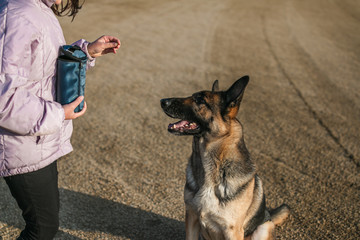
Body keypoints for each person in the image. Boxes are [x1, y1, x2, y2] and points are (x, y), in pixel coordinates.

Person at [0, 0, 121, 239]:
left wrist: (86, 52)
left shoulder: (38, 9)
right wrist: (58, 114)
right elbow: (4, 98)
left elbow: (45, 68)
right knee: (42, 228)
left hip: (38, 139)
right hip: (21, 145)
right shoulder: (17, 16)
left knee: (45, 223)